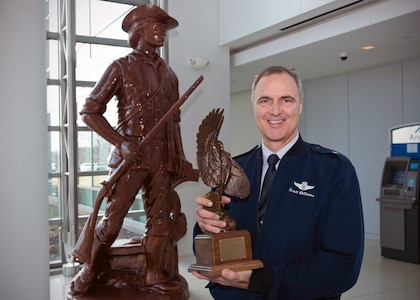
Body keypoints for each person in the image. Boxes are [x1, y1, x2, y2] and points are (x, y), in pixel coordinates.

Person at [192, 66, 364, 299]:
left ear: (300, 105)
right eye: (265, 100)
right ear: (254, 106)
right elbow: (208, 246)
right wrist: (204, 227)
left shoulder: (333, 170)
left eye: (286, 100)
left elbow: (343, 266)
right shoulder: (232, 169)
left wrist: (262, 282)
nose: (275, 111)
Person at [70, 4, 196, 295]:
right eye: (157, 27)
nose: (162, 32)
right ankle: (89, 269)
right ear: (140, 30)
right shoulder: (121, 67)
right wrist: (121, 142)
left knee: (161, 220)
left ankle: (153, 274)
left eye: (164, 28)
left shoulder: (170, 74)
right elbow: (90, 111)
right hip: (132, 159)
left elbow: (174, 122)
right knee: (113, 221)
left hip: (162, 159)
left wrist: (179, 157)